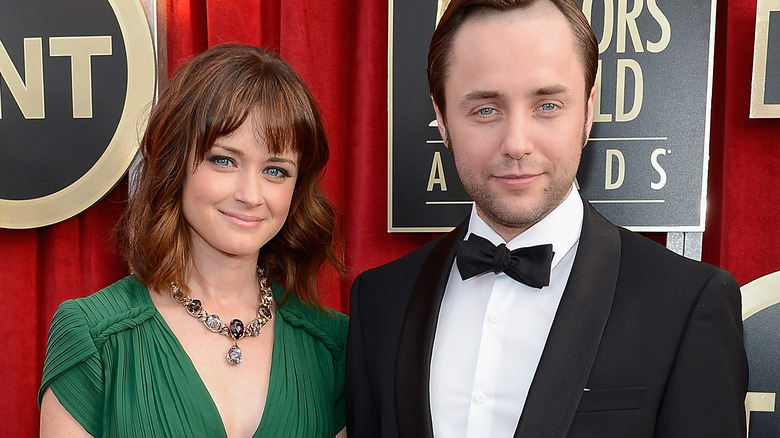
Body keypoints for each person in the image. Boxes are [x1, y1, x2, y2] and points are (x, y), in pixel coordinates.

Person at [346, 0, 748, 437]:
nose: (517, 143)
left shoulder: (689, 304)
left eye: (548, 105)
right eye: (486, 109)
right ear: (441, 118)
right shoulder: (380, 301)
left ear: (589, 107)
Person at [39, 44, 348, 438]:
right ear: (175, 161)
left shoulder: (331, 345)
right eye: (224, 160)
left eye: (275, 170)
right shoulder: (93, 336)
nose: (251, 194)